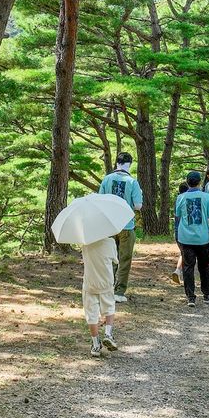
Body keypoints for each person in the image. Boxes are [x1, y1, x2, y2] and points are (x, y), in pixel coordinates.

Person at [99, 152, 143, 303]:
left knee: (108, 258)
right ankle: (119, 292)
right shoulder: (132, 182)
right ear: (129, 164)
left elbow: (100, 200)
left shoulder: (107, 179)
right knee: (124, 259)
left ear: (116, 163)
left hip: (108, 226)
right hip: (126, 225)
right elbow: (138, 205)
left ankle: (106, 288)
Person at [174, 170, 209, 307]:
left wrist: (176, 234)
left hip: (185, 238)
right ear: (200, 182)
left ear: (187, 182)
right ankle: (207, 294)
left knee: (188, 267)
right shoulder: (207, 197)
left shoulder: (180, 198)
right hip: (202, 238)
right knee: (204, 267)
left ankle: (191, 297)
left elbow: (178, 216)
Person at [81, 236, 118, 357]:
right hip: (106, 283)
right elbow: (115, 260)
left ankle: (96, 345)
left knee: (91, 314)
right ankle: (108, 334)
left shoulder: (85, 243)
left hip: (90, 284)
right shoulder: (110, 242)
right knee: (109, 307)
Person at [170, 181, 189, 286]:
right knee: (186, 254)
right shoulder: (185, 199)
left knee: (183, 253)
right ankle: (179, 272)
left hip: (176, 231)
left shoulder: (178, 200)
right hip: (184, 231)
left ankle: (178, 271)